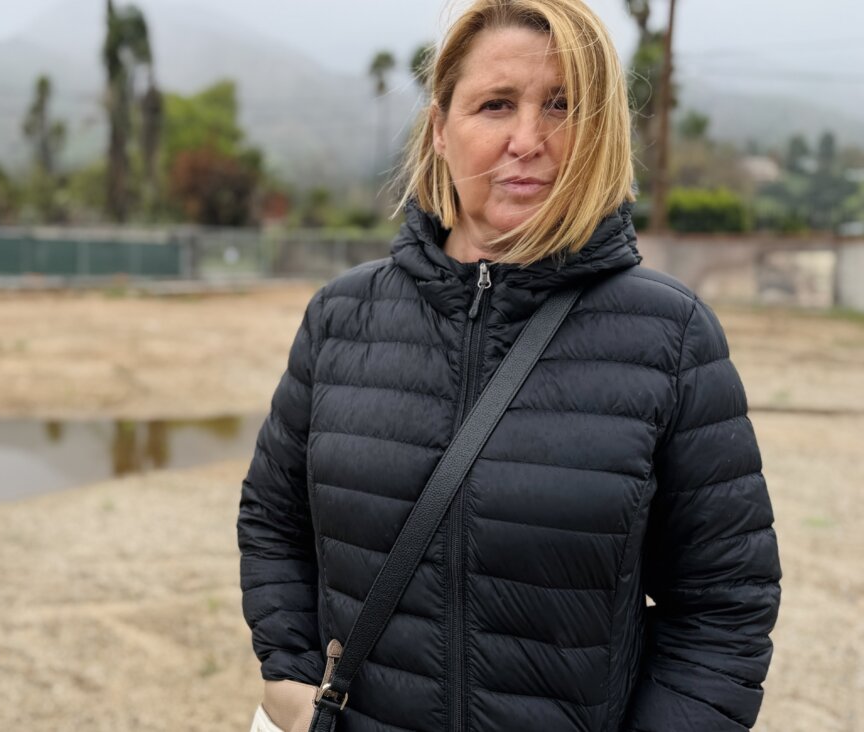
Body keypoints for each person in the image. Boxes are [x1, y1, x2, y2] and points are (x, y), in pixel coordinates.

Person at [236, 1, 781, 731]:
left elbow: (725, 602)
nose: (529, 139)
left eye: (563, 105)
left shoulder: (671, 334)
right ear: (440, 129)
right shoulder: (342, 317)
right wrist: (291, 674)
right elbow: (273, 518)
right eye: (496, 104)